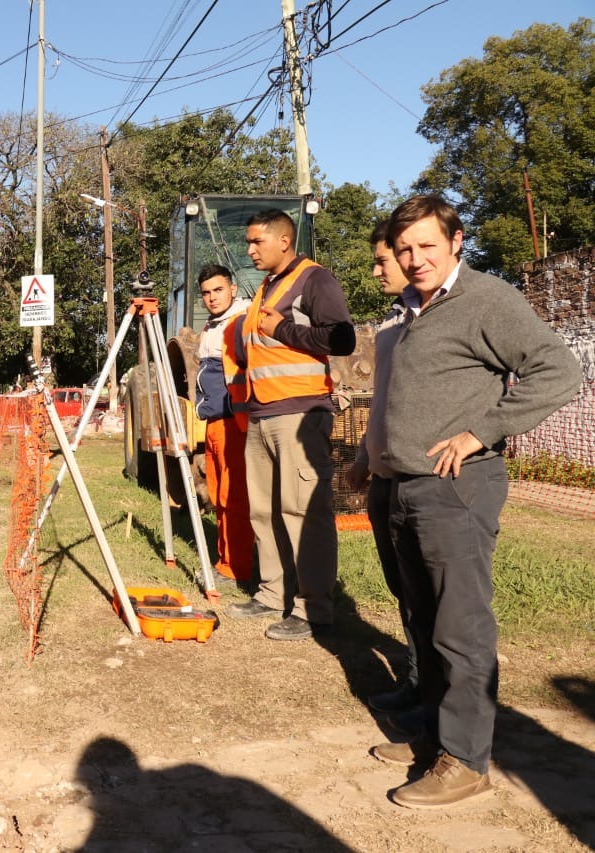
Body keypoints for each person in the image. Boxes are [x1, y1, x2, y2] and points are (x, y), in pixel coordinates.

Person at [371, 195, 580, 809]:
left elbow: (559, 370)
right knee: (427, 622)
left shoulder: (487, 299)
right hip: (409, 485)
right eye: (405, 249)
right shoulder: (415, 308)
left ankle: (465, 760)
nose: (414, 259)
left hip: (458, 487)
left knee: (460, 627)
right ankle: (436, 737)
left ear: (457, 241)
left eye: (427, 246)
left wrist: (479, 431)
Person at [227, 209, 355, 641]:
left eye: (256, 242)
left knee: (304, 513)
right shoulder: (266, 286)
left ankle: (312, 609)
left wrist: (282, 328)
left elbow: (341, 338)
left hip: (300, 415)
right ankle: (271, 593)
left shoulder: (314, 280)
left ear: (284, 240)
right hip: (263, 415)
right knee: (264, 512)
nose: (249, 250)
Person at [344, 222, 419, 716]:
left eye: (381, 261)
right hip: (384, 474)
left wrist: (479, 434)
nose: (375, 271)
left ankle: (433, 695)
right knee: (402, 586)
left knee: (427, 593)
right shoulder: (393, 322)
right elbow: (384, 401)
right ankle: (419, 684)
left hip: (424, 480)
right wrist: (364, 457)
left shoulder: (436, 317)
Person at [193, 264, 254, 587]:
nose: (212, 297)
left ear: (232, 289)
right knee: (219, 496)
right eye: (206, 293)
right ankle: (225, 560)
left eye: (218, 290)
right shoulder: (213, 325)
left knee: (235, 498)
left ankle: (237, 567)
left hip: (234, 421)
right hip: (215, 420)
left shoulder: (241, 320)